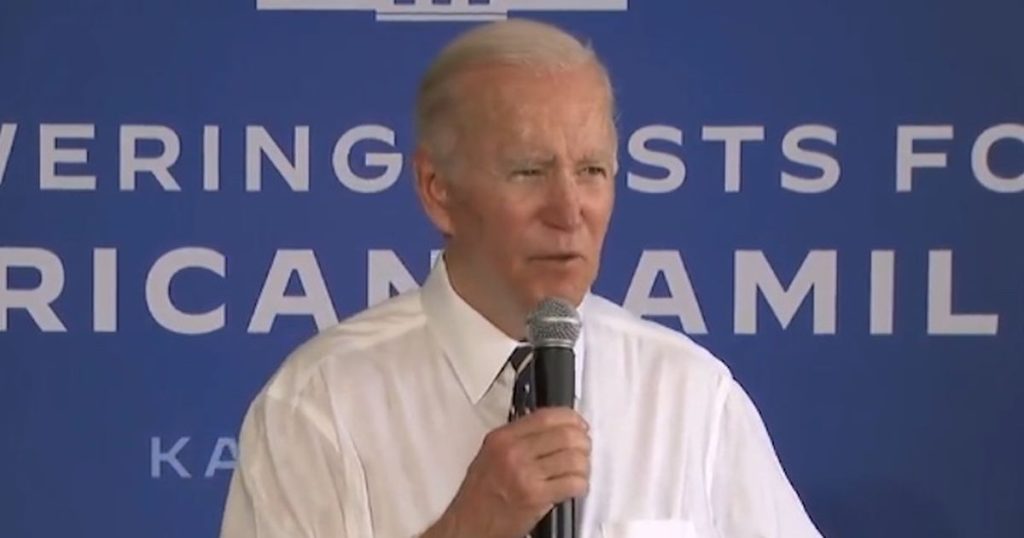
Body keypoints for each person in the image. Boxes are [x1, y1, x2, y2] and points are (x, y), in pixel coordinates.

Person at [220, 19, 822, 538]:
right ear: (437, 190)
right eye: (529, 171)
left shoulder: (690, 396)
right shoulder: (318, 406)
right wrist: (467, 528)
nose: (569, 211)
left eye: (592, 170)